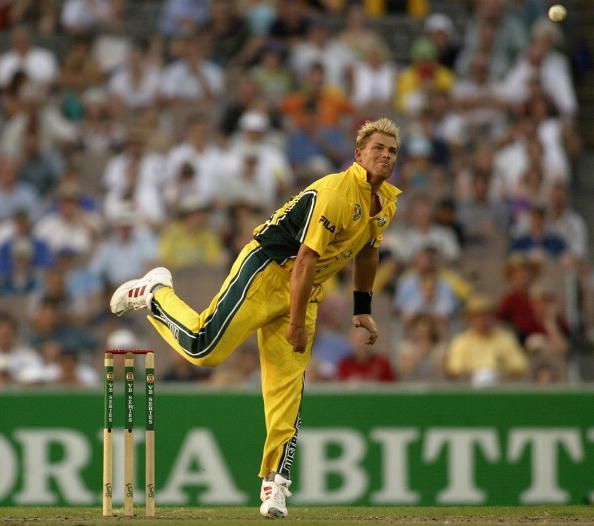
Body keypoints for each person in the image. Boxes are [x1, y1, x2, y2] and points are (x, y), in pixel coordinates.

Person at [109, 117, 402, 519]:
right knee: (202, 349)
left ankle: (274, 485)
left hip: (305, 290)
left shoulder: (386, 200)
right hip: (268, 270)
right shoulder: (336, 191)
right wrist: (296, 324)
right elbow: (304, 261)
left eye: (392, 151)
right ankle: (156, 293)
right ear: (359, 154)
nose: (385, 156)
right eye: (378, 149)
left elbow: (369, 250)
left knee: (286, 393)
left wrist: (363, 309)